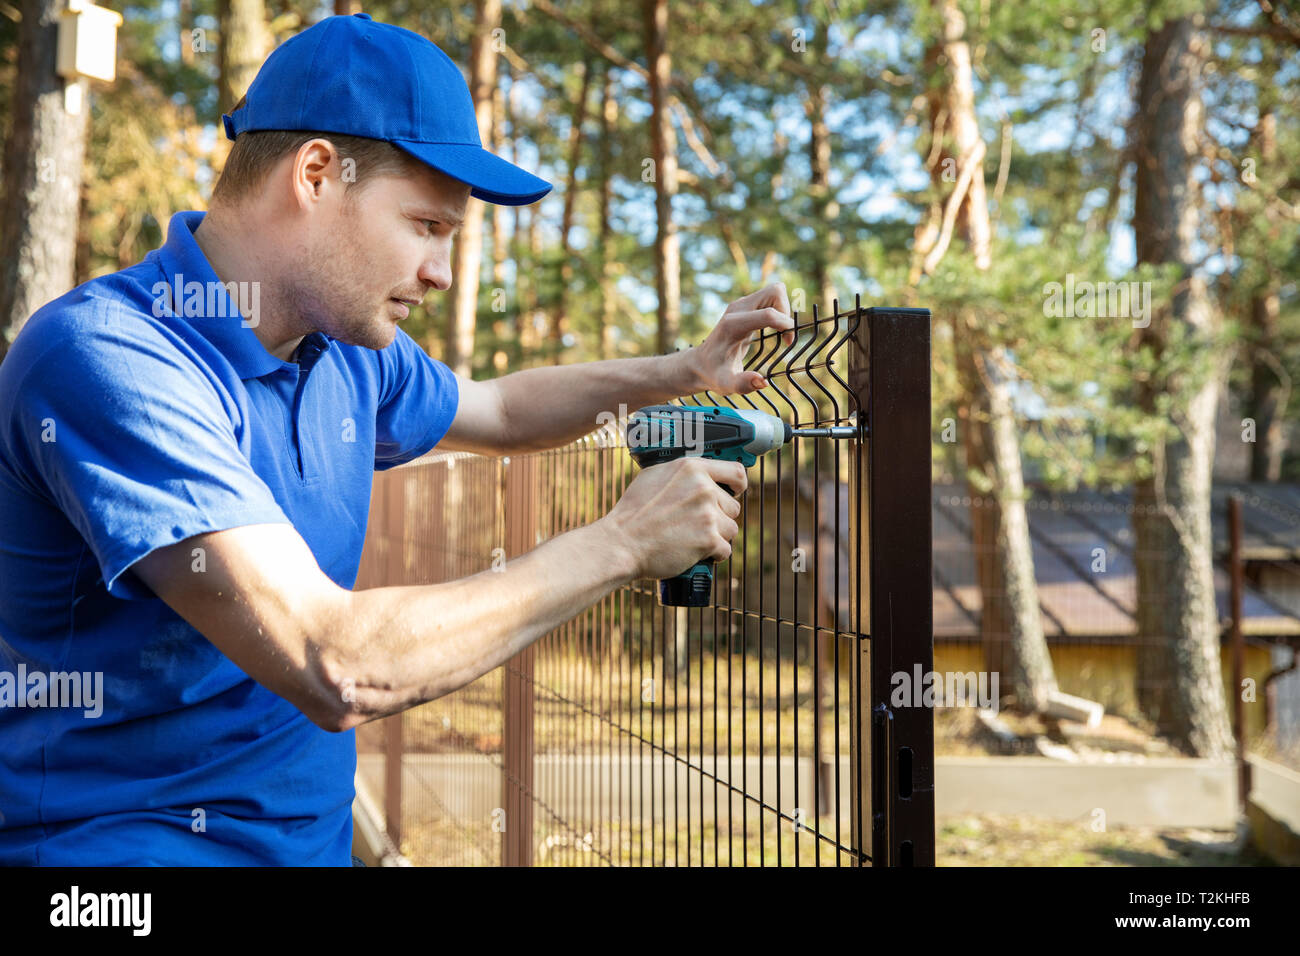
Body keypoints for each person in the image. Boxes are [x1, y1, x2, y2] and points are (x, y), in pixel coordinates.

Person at [0, 13, 793, 866]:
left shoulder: (341, 349)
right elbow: (332, 659)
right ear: (316, 174)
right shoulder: (113, 358)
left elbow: (500, 410)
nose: (442, 272)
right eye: (427, 226)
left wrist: (682, 370)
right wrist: (624, 542)